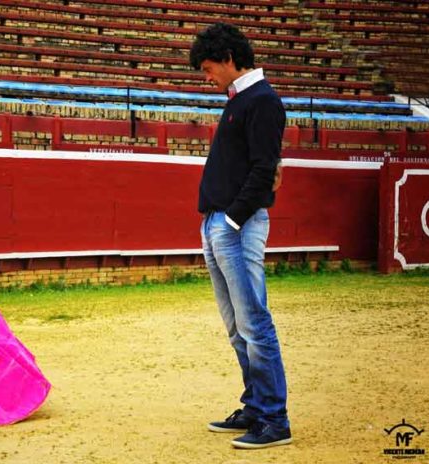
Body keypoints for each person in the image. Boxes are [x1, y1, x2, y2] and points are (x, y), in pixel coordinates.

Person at [189, 23, 291, 449]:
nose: (207, 78)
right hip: (219, 223)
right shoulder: (242, 100)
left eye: (210, 69)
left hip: (237, 226)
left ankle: (273, 419)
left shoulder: (263, 101)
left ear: (230, 59)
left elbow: (264, 169)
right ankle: (255, 404)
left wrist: (230, 221)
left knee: (254, 323)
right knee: (237, 328)